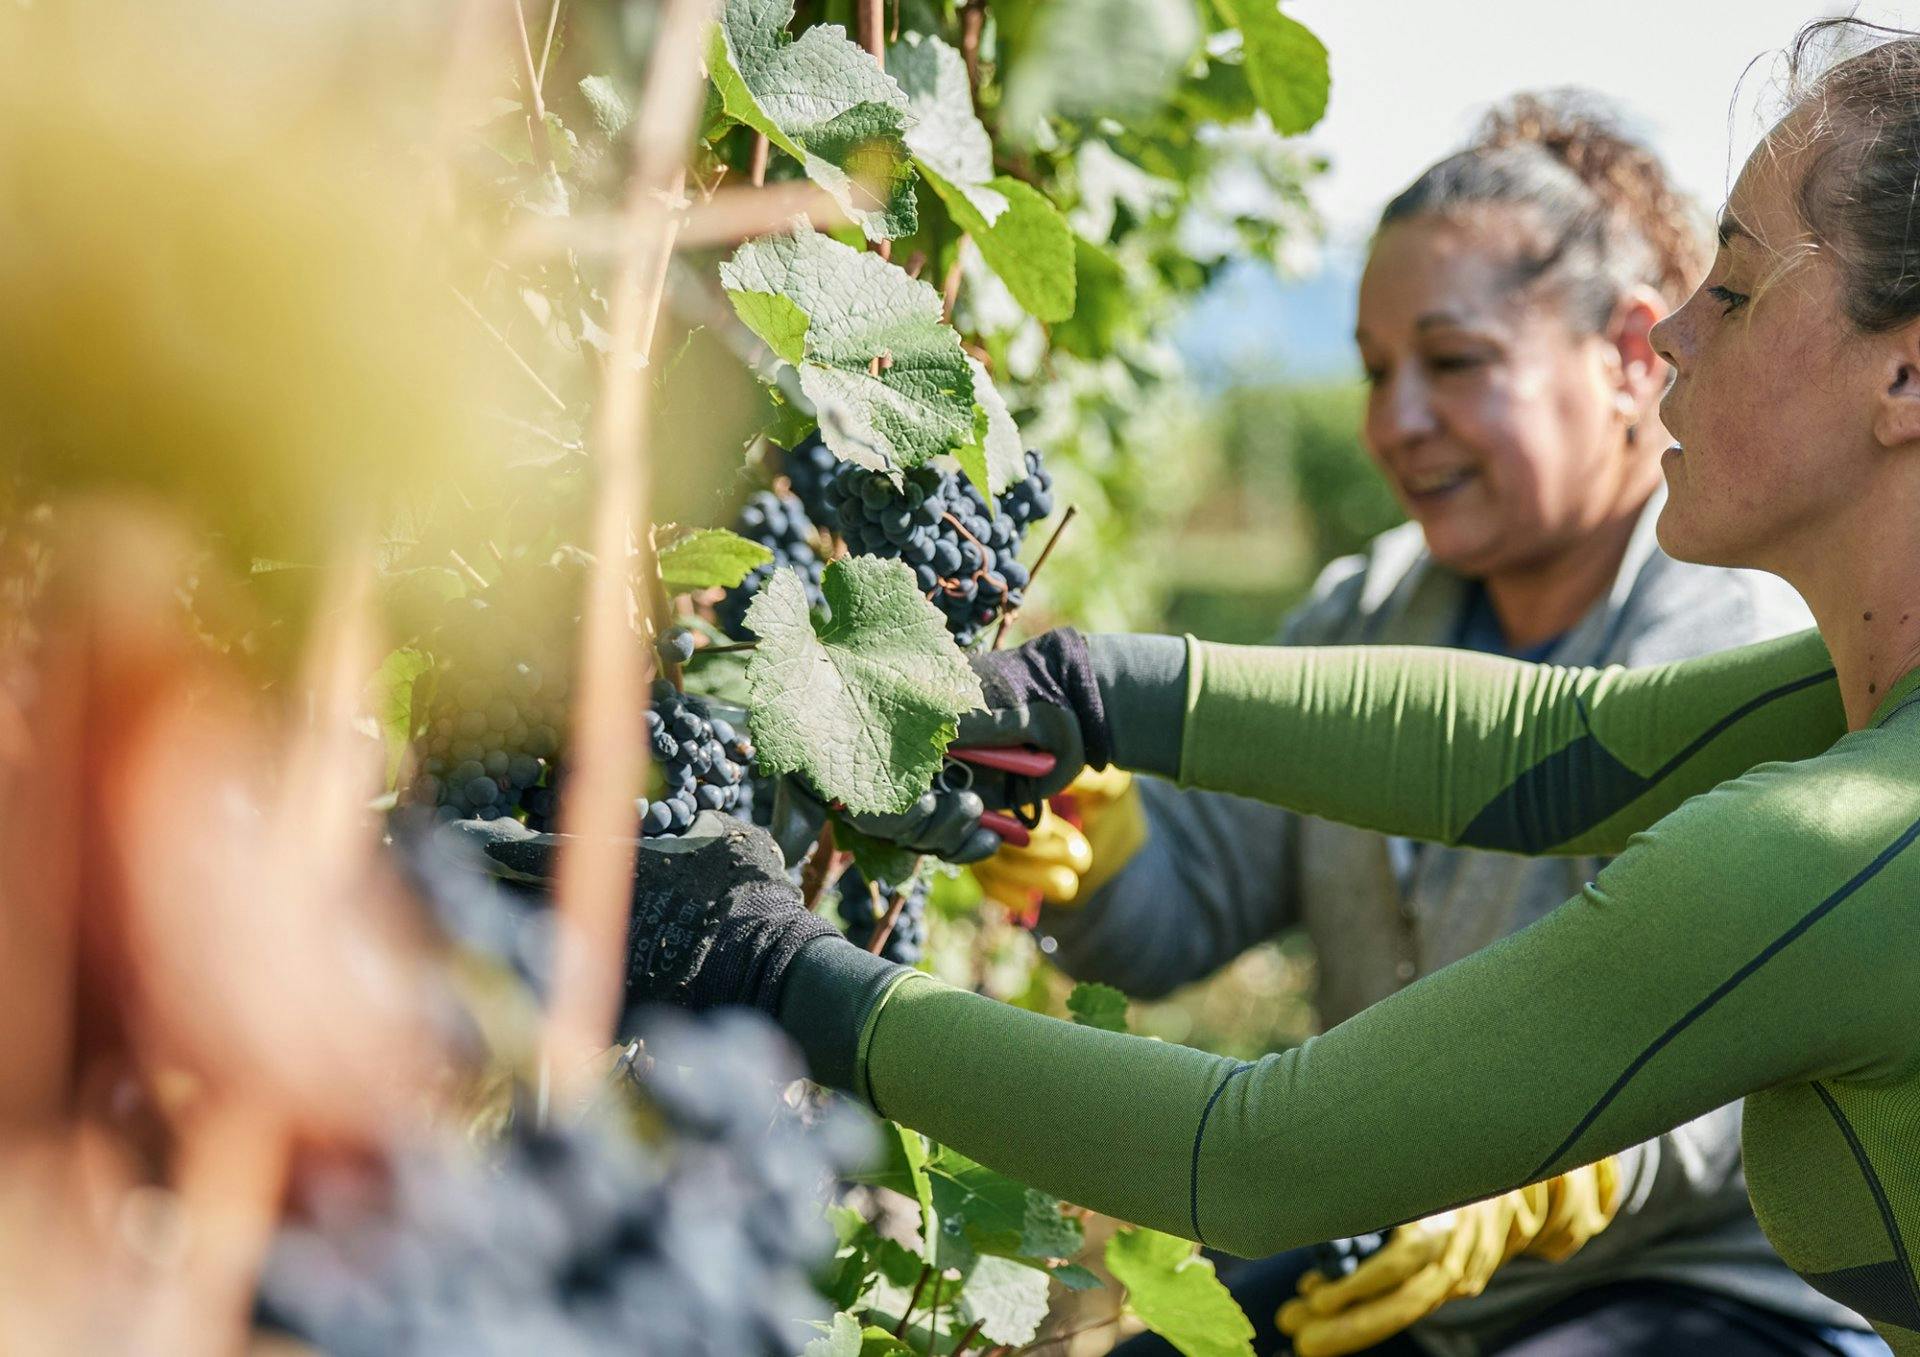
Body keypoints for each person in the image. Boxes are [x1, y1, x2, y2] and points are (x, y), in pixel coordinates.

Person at [466, 20, 1920, 1357]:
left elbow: (1254, 1155)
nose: (1677, 335)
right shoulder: (1839, 714)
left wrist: (771, 969)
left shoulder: (1839, 834)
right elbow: (1556, 749)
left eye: (1734, 287)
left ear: (1906, 379)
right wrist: (1087, 692)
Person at [964, 94, 1877, 1357]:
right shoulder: (1363, 618)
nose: (1394, 421)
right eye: (1375, 370)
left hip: (1691, 1299)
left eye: (1452, 364)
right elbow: (1180, 917)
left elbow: (1750, 1043)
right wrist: (1095, 852)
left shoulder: (1734, 646)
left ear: (1623, 357)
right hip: (1389, 1259)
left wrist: (1547, 1181)